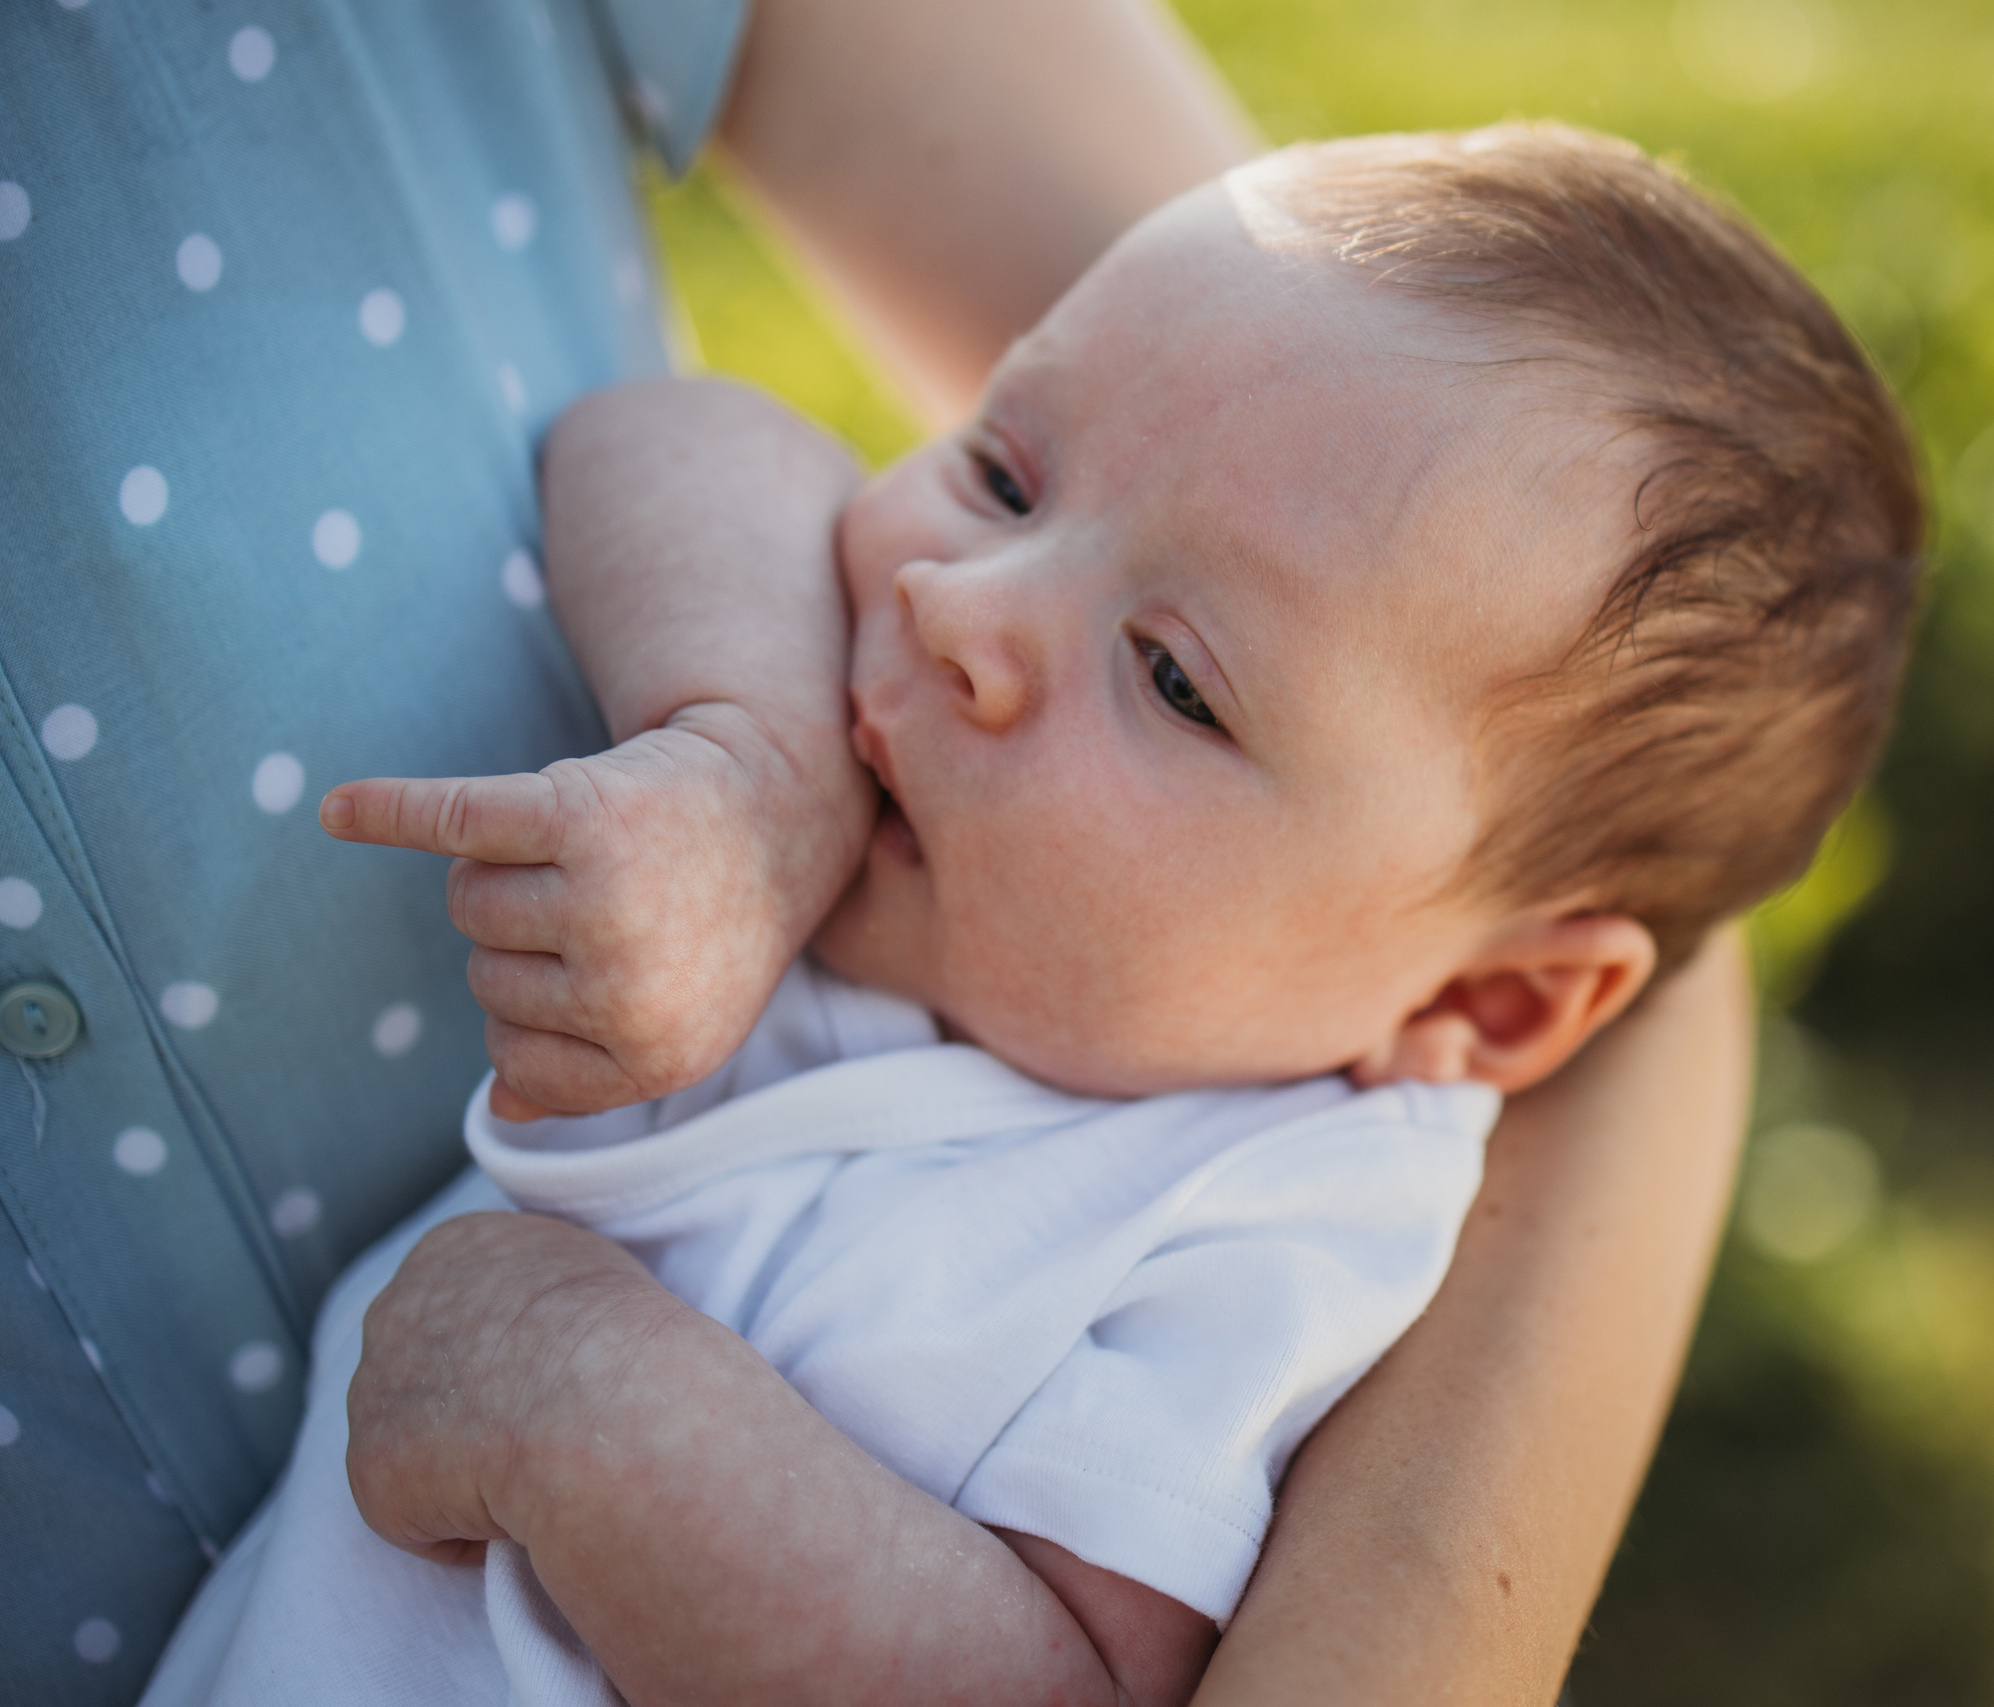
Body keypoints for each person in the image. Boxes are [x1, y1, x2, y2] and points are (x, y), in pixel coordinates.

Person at [0, 4, 1758, 1704]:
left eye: (1172, 678)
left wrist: (581, 1402)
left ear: (1488, 1003)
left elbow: (1052, 1691)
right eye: (1005, 471)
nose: (959, 607)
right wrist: (752, 758)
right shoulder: (839, 834)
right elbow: (674, 436)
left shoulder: (1268, 1221)